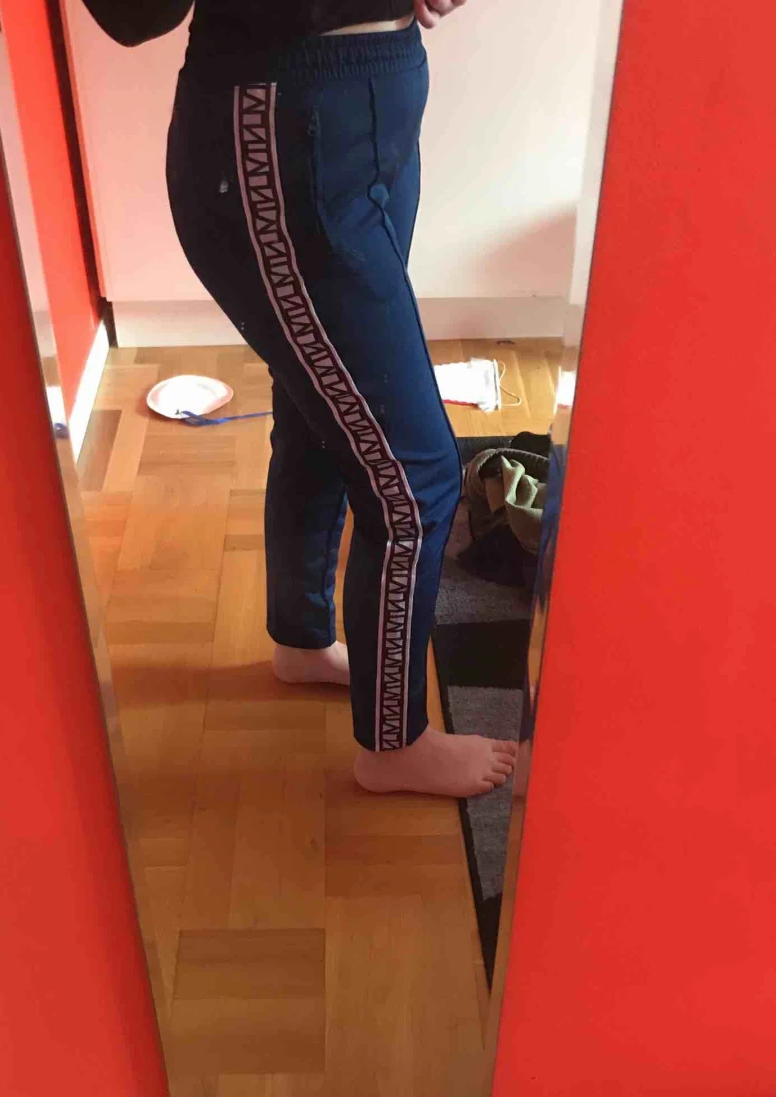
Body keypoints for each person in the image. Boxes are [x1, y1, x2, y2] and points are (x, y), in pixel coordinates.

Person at [88, 0, 518, 797]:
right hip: (281, 122)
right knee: (414, 476)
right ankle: (392, 743)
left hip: (377, 93)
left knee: (323, 418)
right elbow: (131, 13)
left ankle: (301, 636)